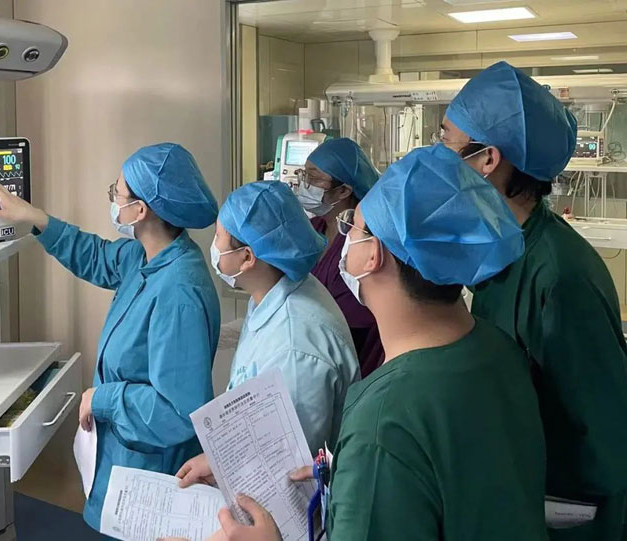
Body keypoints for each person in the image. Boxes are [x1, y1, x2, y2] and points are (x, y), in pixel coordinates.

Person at [201, 144, 548, 540]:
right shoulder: (497, 348)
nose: (344, 237)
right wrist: (343, 478)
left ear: (373, 256)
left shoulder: (384, 421)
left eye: (354, 227)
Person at [0, 143, 221, 533]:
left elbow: (177, 412)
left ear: (141, 210)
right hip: (122, 455)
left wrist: (103, 398)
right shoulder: (145, 257)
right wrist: (32, 217)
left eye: (118, 192)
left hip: (152, 471)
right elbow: (95, 256)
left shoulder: (179, 291)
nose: (113, 199)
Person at [442, 61, 627, 540]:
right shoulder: (503, 246)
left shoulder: (560, 276)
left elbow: (607, 436)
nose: (437, 157)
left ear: (487, 159)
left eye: (445, 141)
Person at [176, 180, 360, 488]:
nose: (214, 247)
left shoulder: (296, 350)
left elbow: (290, 463)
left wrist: (223, 466)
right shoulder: (276, 288)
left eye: (219, 237)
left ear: (247, 258)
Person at [294, 138, 383, 378]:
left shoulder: (362, 241)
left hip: (351, 354)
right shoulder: (313, 228)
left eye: (314, 178)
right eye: (304, 174)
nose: (304, 184)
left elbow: (354, 317)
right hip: (309, 351)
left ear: (343, 190)